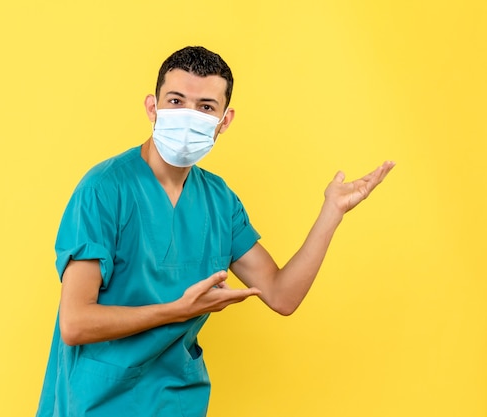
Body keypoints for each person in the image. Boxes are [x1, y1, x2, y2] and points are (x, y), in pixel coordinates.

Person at [35, 46, 395, 417]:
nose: (188, 115)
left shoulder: (219, 201)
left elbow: (281, 296)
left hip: (177, 401)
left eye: (206, 107)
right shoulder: (105, 190)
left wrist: (331, 213)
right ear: (152, 107)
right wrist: (176, 311)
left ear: (224, 121)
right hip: (97, 402)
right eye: (176, 100)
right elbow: (75, 323)